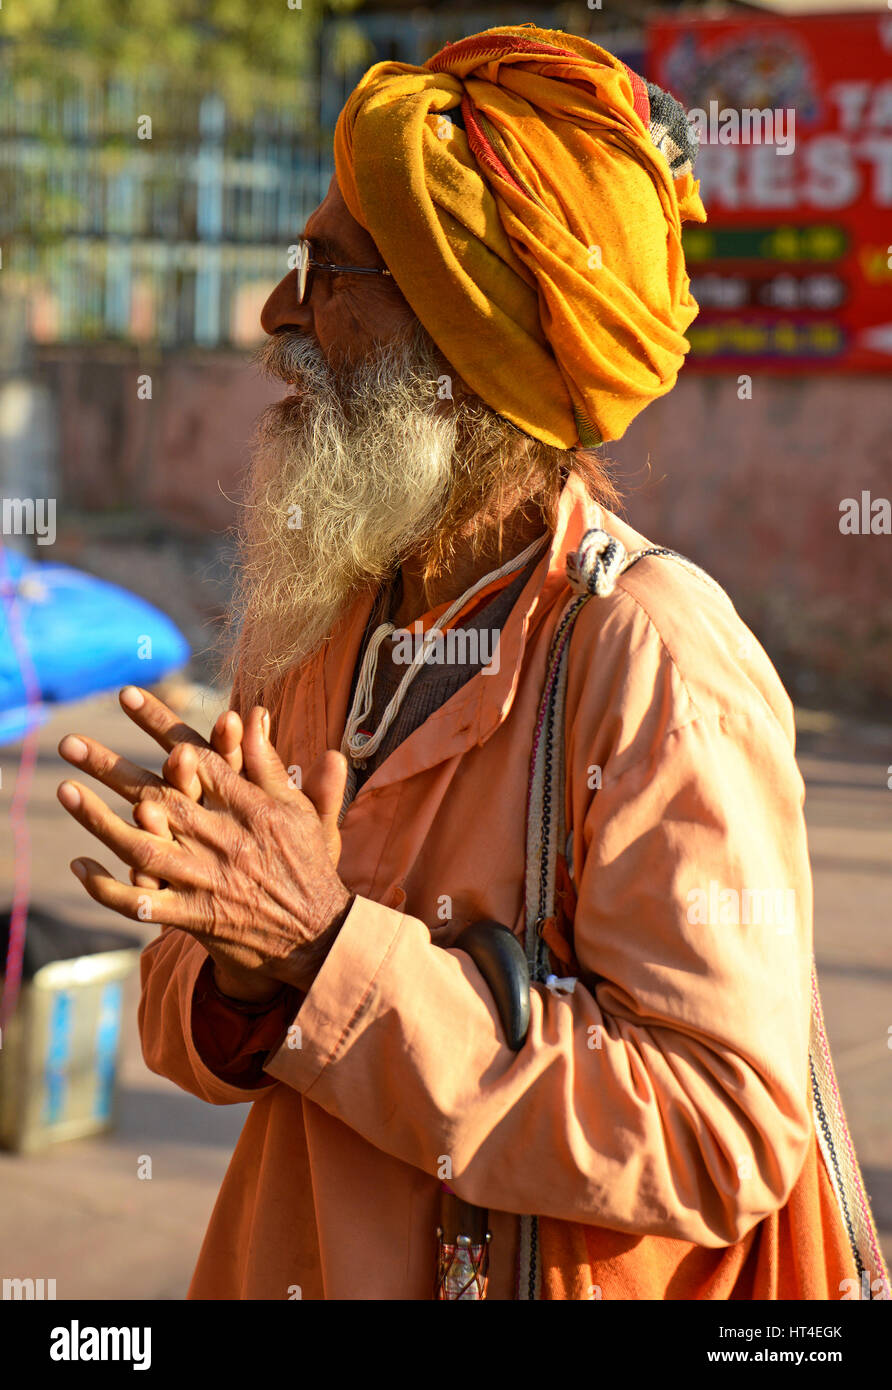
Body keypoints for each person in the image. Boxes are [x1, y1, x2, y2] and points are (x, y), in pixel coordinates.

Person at [56, 25, 875, 1300]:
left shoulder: (653, 658)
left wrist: (327, 948)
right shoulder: (331, 619)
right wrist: (231, 955)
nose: (281, 314)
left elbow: (725, 1135)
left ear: (461, 333)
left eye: (327, 269)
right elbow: (196, 1024)